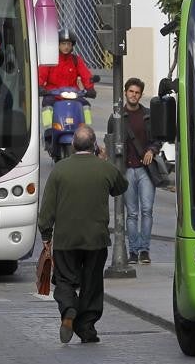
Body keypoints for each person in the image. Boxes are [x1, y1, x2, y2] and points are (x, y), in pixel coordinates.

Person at [37, 124, 127, 344]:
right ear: (95, 145)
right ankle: (86, 328)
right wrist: (105, 160)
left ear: (72, 144)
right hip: (95, 238)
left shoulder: (59, 169)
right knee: (92, 283)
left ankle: (68, 310)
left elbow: (47, 208)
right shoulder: (104, 168)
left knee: (65, 280)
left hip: (66, 239)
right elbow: (121, 187)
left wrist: (47, 234)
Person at [122, 77, 161, 264]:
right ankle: (133, 252)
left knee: (147, 211)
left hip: (146, 171)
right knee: (132, 213)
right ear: (125, 92)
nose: (134, 95)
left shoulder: (148, 115)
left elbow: (158, 139)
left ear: (141, 95)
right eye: (131, 91)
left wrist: (152, 150)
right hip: (127, 170)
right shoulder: (117, 116)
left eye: (137, 92)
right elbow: (111, 142)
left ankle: (144, 250)